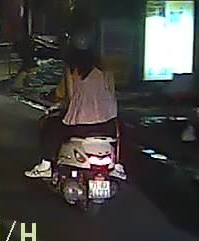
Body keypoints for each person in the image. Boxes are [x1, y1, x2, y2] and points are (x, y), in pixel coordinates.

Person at [24, 32, 126, 180]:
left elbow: (70, 97)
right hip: (108, 124)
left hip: (80, 126)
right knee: (120, 134)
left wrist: (58, 103)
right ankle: (117, 166)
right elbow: (111, 91)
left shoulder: (72, 69)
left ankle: (46, 166)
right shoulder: (106, 68)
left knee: (48, 127)